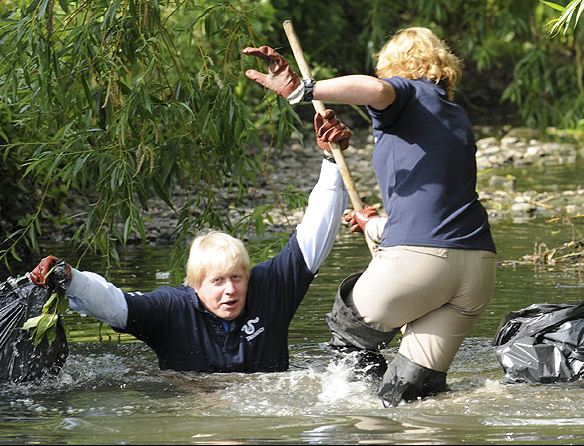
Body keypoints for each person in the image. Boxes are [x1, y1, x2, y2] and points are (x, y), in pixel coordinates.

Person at [243, 26, 497, 406]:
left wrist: (302, 90)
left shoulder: (406, 92)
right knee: (413, 396)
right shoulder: (455, 116)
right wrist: (375, 224)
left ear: (393, 67)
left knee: (350, 333)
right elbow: (438, 206)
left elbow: (377, 92)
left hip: (420, 264)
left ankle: (359, 423)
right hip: (476, 269)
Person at [30, 109, 352, 373]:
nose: (231, 290)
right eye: (218, 281)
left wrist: (331, 162)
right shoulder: (172, 309)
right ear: (195, 285)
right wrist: (71, 279)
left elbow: (313, 235)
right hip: (194, 404)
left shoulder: (269, 288)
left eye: (237, 278)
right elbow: (115, 304)